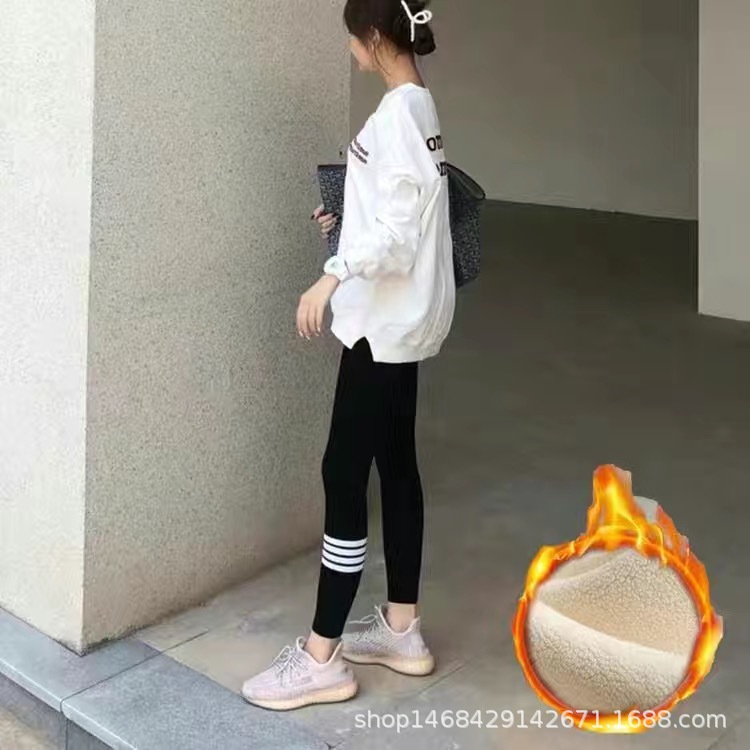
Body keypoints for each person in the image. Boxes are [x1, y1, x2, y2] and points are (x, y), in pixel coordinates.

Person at [242, 0, 454, 710]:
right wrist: (345, 217)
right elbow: (398, 212)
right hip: (397, 324)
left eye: (352, 41)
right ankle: (402, 628)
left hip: (379, 326)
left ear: (372, 35)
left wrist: (332, 273)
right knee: (396, 464)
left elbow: (398, 235)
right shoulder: (420, 106)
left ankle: (321, 657)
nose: (350, 53)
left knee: (343, 472)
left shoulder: (398, 114)